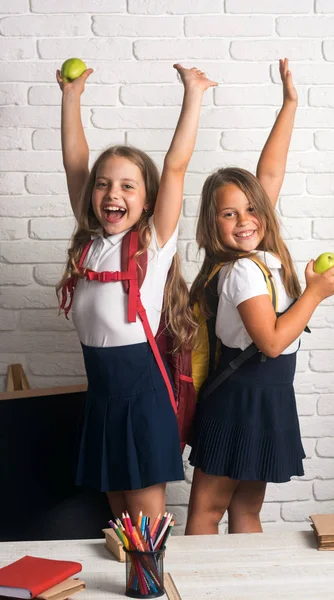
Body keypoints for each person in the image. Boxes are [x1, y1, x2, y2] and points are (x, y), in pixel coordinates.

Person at [186, 59, 334, 535]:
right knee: (208, 511)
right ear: (212, 224)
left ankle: (242, 586)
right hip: (241, 395)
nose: (245, 220)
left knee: (247, 512)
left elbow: (269, 172)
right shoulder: (241, 272)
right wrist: (315, 293)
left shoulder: (266, 253)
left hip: (268, 394)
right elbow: (273, 341)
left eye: (251, 210)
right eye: (228, 215)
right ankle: (201, 586)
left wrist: (289, 103)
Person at [56, 63, 216, 525]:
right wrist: (71, 97)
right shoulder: (90, 242)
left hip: (141, 397)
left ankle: (150, 592)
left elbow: (176, 166)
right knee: (120, 524)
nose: (112, 193)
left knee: (145, 527)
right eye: (103, 184)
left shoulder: (151, 244)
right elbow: (74, 165)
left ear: (147, 201)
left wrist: (193, 94)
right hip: (102, 396)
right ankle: (133, 588)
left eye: (128, 185)